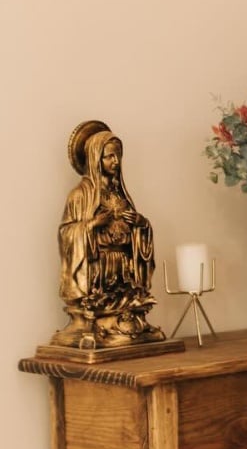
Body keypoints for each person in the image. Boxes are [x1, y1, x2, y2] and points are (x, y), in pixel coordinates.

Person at [54, 124, 164, 348]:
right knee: (97, 300)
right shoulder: (79, 195)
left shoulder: (120, 193)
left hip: (123, 265)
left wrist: (141, 224)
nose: (115, 162)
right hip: (98, 267)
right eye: (109, 157)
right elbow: (66, 233)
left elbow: (136, 229)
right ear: (95, 158)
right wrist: (93, 224)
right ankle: (93, 324)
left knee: (129, 297)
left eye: (118, 156)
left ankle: (127, 318)